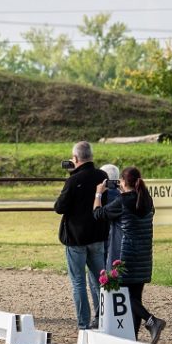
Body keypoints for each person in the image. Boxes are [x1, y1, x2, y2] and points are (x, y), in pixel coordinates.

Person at [93, 166, 166, 343]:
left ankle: (152, 321)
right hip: (144, 256)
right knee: (136, 297)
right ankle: (133, 339)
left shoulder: (123, 201)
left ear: (123, 182)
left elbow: (98, 214)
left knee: (123, 294)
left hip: (127, 255)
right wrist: (122, 191)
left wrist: (98, 194)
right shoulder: (147, 200)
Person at [53, 141, 108, 331]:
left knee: (78, 282)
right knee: (100, 280)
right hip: (98, 235)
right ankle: (102, 317)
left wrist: (71, 177)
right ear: (91, 156)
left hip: (76, 238)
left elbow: (59, 207)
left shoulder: (73, 180)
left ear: (75, 159)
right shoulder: (102, 175)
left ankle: (83, 323)